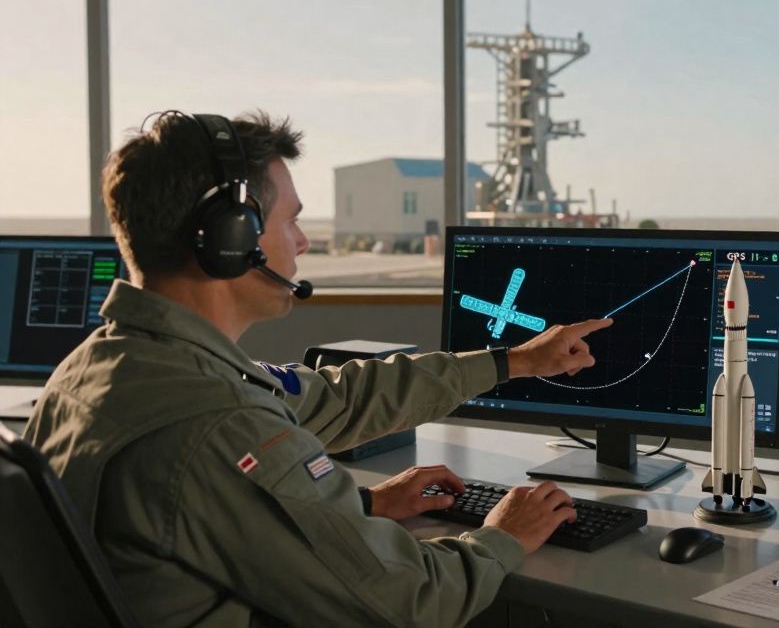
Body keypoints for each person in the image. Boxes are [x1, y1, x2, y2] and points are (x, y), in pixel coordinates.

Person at [24, 111, 613, 627]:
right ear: (232, 239)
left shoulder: (98, 368)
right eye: (290, 221)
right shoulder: (219, 424)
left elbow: (337, 399)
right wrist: (503, 536)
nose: (302, 241)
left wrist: (514, 361)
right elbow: (411, 602)